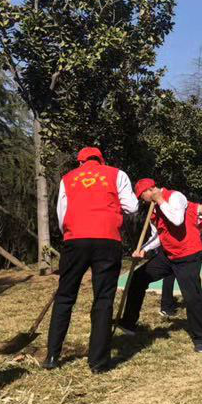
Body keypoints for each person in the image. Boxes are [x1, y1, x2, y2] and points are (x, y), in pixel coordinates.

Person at [43, 147, 139, 373]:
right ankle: (98, 362)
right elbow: (132, 207)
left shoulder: (68, 178)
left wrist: (70, 235)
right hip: (107, 239)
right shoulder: (117, 174)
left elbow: (62, 214)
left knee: (65, 296)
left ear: (80, 162)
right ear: (101, 160)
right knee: (103, 298)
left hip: (75, 239)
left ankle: (52, 356)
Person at [118, 179, 202, 353]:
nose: (142, 201)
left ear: (149, 190)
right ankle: (129, 323)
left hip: (188, 254)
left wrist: (161, 200)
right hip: (168, 255)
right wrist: (143, 249)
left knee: (191, 296)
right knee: (138, 278)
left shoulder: (176, 197)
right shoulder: (154, 207)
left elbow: (177, 220)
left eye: (142, 196)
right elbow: (159, 235)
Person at [159, 198, 202, 319]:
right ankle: (166, 306)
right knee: (169, 276)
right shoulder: (187, 208)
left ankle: (201, 301)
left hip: (188, 251)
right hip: (172, 248)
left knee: (193, 275)